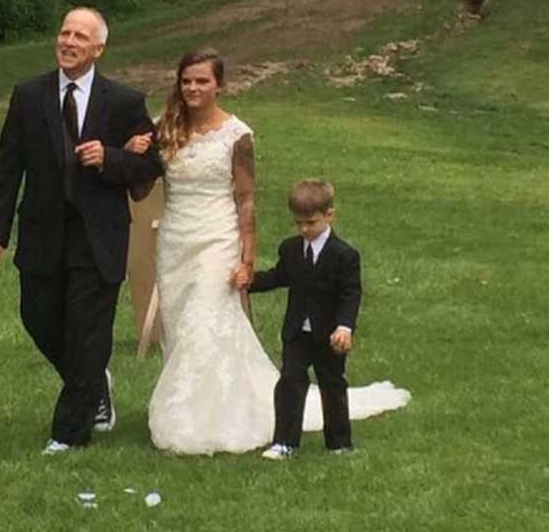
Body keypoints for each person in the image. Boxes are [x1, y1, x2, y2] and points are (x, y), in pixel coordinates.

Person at [125, 48, 410, 456]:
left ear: (219, 85)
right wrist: (134, 153)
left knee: (205, 323)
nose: (192, 88)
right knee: (180, 327)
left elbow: (245, 199)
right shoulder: (164, 128)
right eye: (186, 80)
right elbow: (140, 188)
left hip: (217, 238)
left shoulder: (236, 134)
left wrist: (246, 258)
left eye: (202, 80)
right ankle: (196, 408)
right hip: (176, 240)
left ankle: (203, 423)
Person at [0, 7, 163, 455]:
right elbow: (9, 165)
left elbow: (152, 165)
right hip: (42, 231)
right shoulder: (29, 95)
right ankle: (94, 380)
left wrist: (111, 158)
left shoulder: (124, 102)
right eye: (64, 33)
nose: (69, 42)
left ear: (98, 48)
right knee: (38, 317)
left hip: (98, 235)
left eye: (80, 36)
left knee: (87, 331)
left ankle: (68, 432)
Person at [250, 179, 360, 460]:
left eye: (310, 222)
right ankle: (285, 441)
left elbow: (350, 294)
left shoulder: (344, 255)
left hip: (329, 334)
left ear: (329, 215)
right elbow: (280, 276)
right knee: (289, 381)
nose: (303, 229)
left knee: (332, 383)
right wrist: (249, 281)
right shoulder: (290, 249)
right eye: (298, 223)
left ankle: (339, 441)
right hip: (297, 332)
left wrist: (344, 327)